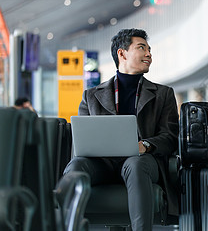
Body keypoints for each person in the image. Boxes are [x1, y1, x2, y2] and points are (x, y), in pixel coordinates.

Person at [64, 28, 179, 230]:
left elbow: (170, 136)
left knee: (135, 165)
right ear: (122, 53)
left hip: (142, 162)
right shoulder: (91, 96)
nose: (149, 54)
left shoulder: (163, 94)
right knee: (75, 167)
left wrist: (145, 145)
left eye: (149, 49)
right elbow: (83, 140)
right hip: (103, 164)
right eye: (141, 48)